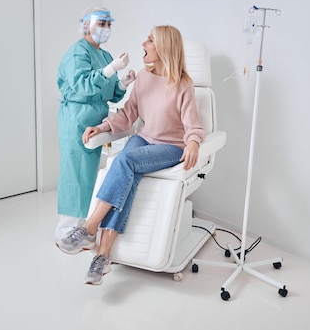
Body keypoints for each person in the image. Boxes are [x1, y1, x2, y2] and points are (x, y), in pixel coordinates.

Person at [56, 25, 205, 285]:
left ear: (163, 48)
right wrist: (101, 127)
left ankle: (89, 228)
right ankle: (102, 258)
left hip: (170, 147)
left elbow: (194, 127)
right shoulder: (145, 79)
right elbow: (127, 116)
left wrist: (193, 142)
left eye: (149, 40)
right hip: (144, 139)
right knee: (128, 175)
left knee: (124, 160)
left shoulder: (183, 85)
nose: (143, 44)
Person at [56, 6, 136, 240]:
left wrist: (122, 83)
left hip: (96, 120)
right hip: (76, 119)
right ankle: (64, 232)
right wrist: (111, 70)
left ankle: (83, 229)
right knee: (74, 174)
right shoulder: (77, 53)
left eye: (109, 24)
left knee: (90, 175)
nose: (106, 29)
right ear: (87, 26)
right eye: (101, 24)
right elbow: (83, 85)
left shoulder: (105, 55)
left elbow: (111, 95)